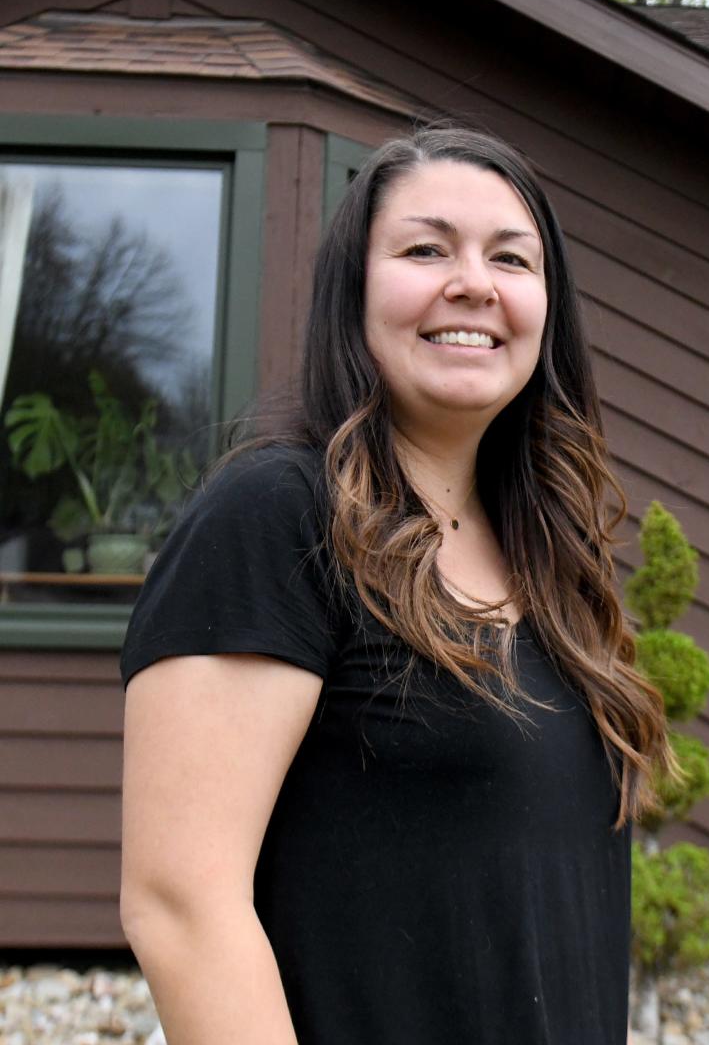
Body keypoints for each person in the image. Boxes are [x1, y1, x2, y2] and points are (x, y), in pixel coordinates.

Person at [118, 125, 674, 1045]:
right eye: (425, 249)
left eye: (511, 257)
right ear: (354, 293)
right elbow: (180, 904)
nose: (473, 283)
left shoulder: (549, 555)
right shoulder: (277, 517)